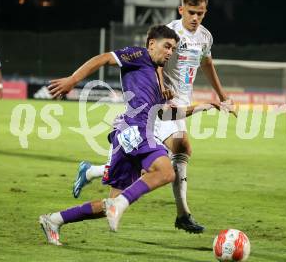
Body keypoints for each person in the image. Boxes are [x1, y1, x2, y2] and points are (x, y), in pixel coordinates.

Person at [39, 25, 221, 246]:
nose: (170, 53)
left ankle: (54, 220)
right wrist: (73, 79)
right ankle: (120, 203)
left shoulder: (158, 78)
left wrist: (201, 107)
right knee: (166, 172)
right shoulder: (138, 55)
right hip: (136, 129)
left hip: (131, 134)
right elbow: (104, 58)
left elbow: (164, 113)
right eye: (167, 47)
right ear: (151, 43)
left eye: (173, 49)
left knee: (110, 204)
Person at [72, 0, 236, 234]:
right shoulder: (171, 32)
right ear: (181, 10)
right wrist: (161, 87)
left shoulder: (205, 37)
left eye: (200, 13)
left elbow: (207, 64)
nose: (195, 18)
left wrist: (224, 97)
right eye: (191, 12)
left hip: (180, 102)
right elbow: (155, 60)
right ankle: (182, 214)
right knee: (171, 153)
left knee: (150, 162)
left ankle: (93, 171)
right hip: (160, 104)